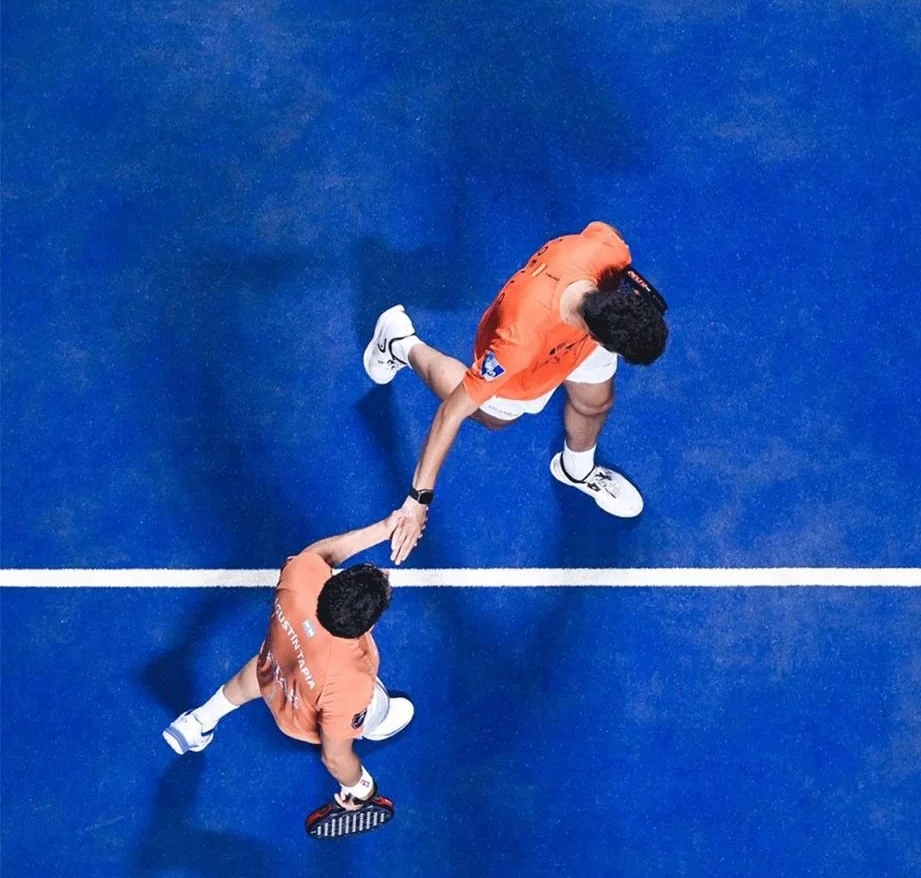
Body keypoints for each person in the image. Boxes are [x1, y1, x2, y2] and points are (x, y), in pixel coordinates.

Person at [362, 221, 668, 564]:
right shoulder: (516, 343)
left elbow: (602, 230)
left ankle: (576, 470)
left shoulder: (609, 255)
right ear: (601, 339)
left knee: (596, 403)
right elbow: (452, 411)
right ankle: (400, 343)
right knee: (489, 416)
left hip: (579, 339)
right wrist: (418, 500)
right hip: (526, 363)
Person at [162, 512, 415, 814]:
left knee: (255, 674)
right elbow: (335, 757)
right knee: (376, 701)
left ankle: (198, 722)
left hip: (271, 671)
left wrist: (384, 528)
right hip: (301, 721)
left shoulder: (301, 576)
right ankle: (376, 719)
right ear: (367, 627)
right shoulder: (352, 678)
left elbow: (322, 554)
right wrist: (360, 785)